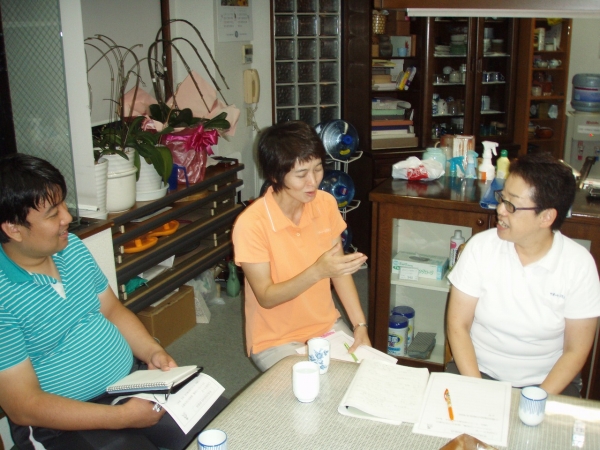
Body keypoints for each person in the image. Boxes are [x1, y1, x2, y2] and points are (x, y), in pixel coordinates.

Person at [0, 154, 226, 450]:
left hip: (128, 384)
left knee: (224, 422)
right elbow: (24, 405)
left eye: (64, 205)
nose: (67, 217)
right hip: (60, 424)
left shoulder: (71, 248)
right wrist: (121, 418)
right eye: (53, 214)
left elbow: (111, 310)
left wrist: (152, 351)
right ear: (13, 229)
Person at [447, 153, 600, 397]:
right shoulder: (481, 247)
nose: (500, 210)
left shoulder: (578, 265)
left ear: (546, 217)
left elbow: (576, 350)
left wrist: (536, 398)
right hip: (477, 372)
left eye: (512, 205)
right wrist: (478, 390)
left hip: (548, 383)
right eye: (502, 198)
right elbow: (458, 325)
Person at [232, 121, 371, 372]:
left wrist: (360, 325)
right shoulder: (251, 224)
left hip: (325, 327)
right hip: (274, 339)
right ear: (275, 176)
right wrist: (318, 271)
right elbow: (266, 297)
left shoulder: (325, 203)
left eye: (317, 169)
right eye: (301, 174)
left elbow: (339, 273)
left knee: (364, 378)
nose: (313, 182)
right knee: (310, 388)